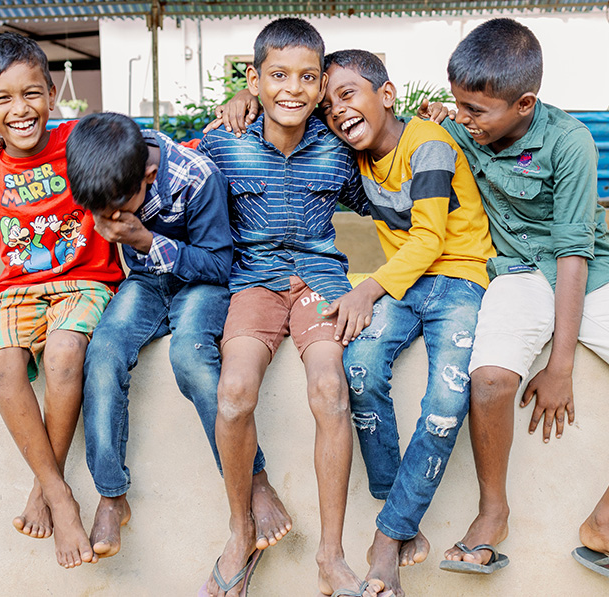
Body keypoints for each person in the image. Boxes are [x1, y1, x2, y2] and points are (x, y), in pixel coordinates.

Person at [419, 19, 609, 592]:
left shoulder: (570, 141)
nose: (463, 118)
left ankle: (607, 521)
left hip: (589, 274)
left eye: (476, 110)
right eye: (457, 104)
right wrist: (246, 102)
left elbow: (575, 254)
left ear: (525, 103)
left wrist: (560, 367)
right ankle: (493, 514)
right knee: (491, 381)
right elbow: (376, 118)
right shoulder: (461, 127)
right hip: (517, 274)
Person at [197, 18, 376, 597]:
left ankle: (331, 555)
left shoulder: (339, 148)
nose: (292, 90)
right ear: (255, 79)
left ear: (323, 84)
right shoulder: (223, 141)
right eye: (277, 76)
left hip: (320, 283)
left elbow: (390, 173)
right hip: (253, 285)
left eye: (306, 77)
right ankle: (239, 528)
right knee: (232, 396)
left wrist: (436, 126)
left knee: (330, 390)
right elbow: (159, 176)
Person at [56, 112, 286, 561]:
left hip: (202, 282)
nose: (111, 219)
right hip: (145, 284)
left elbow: (219, 264)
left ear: (148, 175)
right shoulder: (102, 165)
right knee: (101, 353)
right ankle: (111, 492)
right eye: (100, 214)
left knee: (191, 359)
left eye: (119, 209)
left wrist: (144, 241)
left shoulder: (197, 178)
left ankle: (254, 478)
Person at [313, 49, 496, 597]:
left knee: (445, 400)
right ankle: (402, 511)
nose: (338, 112)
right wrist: (248, 100)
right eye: (328, 106)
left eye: (348, 94)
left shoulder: (429, 142)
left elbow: (431, 237)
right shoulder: (359, 158)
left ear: (385, 95)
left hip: (460, 279)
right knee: (361, 367)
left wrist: (367, 288)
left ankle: (387, 538)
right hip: (405, 282)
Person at [0, 32, 123, 570]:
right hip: (19, 290)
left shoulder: (80, 141)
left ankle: (43, 490)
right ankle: (58, 491)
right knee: (1, 363)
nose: (20, 110)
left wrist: (240, 106)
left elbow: (137, 141)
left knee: (65, 354)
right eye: (2, 99)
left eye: (32, 94)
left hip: (88, 280)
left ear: (52, 92)